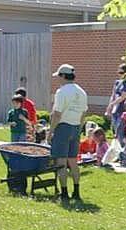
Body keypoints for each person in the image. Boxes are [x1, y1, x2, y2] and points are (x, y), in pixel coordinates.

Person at [48, 64, 88, 203]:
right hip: (76, 127)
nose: (58, 79)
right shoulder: (81, 92)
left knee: (61, 161)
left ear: (63, 76)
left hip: (63, 127)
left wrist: (50, 131)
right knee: (73, 160)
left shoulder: (62, 92)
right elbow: (84, 113)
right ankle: (76, 191)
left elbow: (57, 114)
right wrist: (79, 128)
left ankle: (64, 192)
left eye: (59, 76)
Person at [105, 63, 126, 146]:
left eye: (121, 73)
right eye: (118, 72)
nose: (119, 75)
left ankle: (123, 151)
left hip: (123, 111)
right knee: (115, 132)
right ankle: (117, 152)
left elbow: (123, 96)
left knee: (120, 132)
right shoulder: (117, 82)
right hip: (115, 111)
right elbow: (113, 95)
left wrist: (112, 104)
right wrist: (109, 106)